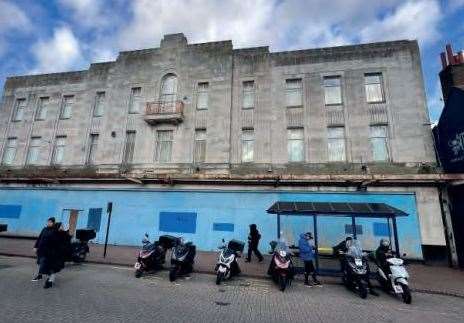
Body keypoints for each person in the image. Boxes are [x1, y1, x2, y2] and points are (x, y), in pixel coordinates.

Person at [32, 217, 60, 289]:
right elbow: (39, 238)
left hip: (50, 252)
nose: (48, 223)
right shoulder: (44, 229)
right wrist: (35, 246)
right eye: (48, 222)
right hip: (41, 250)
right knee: (39, 263)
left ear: (53, 223)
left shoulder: (55, 231)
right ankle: (39, 275)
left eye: (50, 222)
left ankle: (51, 281)